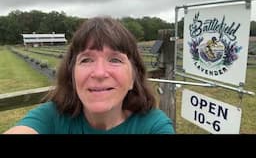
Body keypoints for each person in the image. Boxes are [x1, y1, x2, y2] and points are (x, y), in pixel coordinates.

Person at [4, 16, 175, 134]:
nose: (99, 73)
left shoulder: (153, 126)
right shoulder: (50, 118)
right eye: (86, 60)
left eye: (115, 60)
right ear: (72, 74)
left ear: (133, 78)